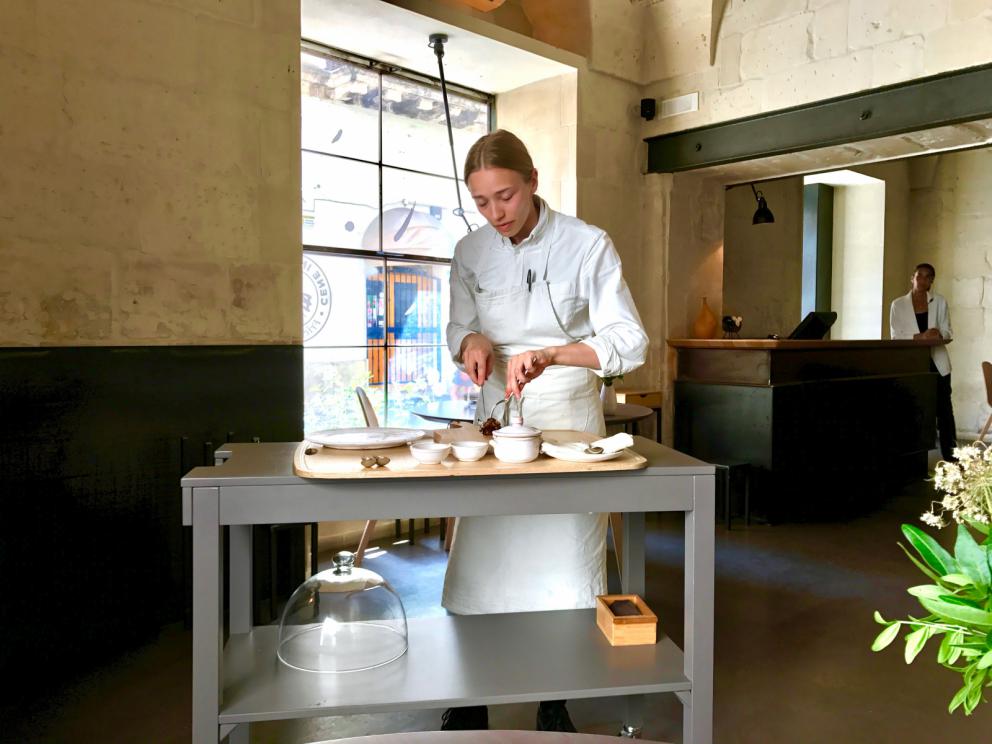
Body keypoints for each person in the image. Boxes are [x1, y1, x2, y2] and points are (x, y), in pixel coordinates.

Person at [441, 130, 648, 732]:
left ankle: (554, 698)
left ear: (532, 180)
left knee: (563, 559)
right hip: (497, 417)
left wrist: (556, 353)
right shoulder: (470, 251)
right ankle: (470, 695)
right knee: (484, 555)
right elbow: (457, 328)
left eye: (505, 196)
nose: (495, 213)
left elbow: (628, 341)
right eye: (481, 202)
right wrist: (471, 342)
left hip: (569, 421)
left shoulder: (587, 244)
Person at [889, 262, 957, 461]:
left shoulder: (940, 301)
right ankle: (914, 460)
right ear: (913, 278)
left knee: (944, 410)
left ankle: (952, 457)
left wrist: (938, 334)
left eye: (928, 277)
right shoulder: (898, 304)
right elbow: (895, 336)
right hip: (912, 363)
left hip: (938, 362)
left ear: (932, 281)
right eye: (920, 275)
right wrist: (920, 337)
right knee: (915, 410)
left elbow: (948, 332)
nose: (923, 279)